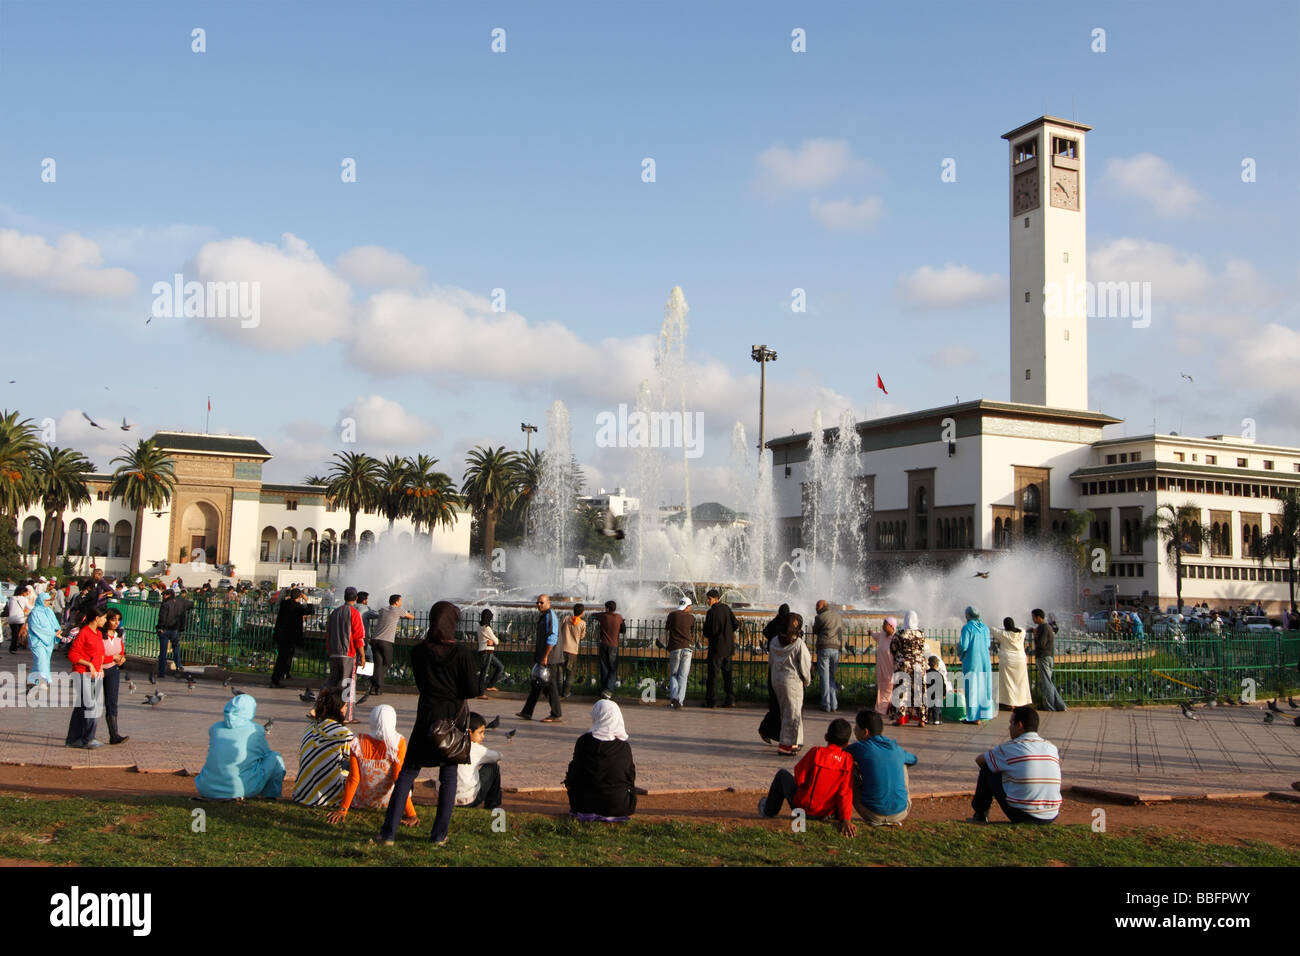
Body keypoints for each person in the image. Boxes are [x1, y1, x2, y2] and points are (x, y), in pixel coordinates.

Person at [377, 601, 479, 846]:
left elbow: (422, 685)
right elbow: (472, 690)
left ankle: (388, 833)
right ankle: (439, 835)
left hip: (426, 716)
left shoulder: (418, 651)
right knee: (449, 773)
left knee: (408, 773)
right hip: (452, 718)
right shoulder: (463, 654)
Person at [758, 717, 856, 837]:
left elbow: (800, 779)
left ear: (826, 737)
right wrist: (846, 819)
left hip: (803, 809)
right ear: (847, 744)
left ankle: (768, 810)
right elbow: (845, 793)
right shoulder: (847, 760)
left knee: (782, 774)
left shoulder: (816, 752)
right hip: (827, 813)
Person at [969, 704, 1061, 825]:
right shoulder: (1051, 747)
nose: (1009, 727)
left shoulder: (1010, 747)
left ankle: (980, 815)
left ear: (1020, 725)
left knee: (988, 767)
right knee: (1001, 765)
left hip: (1023, 814)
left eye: (1011, 723)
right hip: (1051, 814)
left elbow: (980, 760)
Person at [327, 704, 418, 825]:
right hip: (388, 801)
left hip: (361, 800)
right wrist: (411, 814)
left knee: (344, 766)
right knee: (408, 779)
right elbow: (398, 779)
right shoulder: (398, 743)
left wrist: (343, 809)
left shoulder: (357, 741)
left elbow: (353, 779)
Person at [195, 694, 286, 800]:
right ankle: (271, 795)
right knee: (275, 757)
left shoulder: (215, 728)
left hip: (205, 788)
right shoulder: (255, 730)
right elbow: (265, 754)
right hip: (240, 789)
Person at [564, 700, 637, 819]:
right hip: (619, 806)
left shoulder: (583, 742)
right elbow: (630, 775)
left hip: (583, 804)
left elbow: (575, 771)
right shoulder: (624, 747)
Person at [846, 710, 917, 827]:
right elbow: (913, 759)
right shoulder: (895, 747)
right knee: (902, 763)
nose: (854, 730)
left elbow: (840, 753)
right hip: (901, 813)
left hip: (871, 814)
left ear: (865, 732)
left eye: (856, 727)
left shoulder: (860, 747)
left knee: (849, 768)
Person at [292, 687, 355, 807]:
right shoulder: (344, 734)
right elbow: (353, 764)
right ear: (339, 709)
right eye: (345, 706)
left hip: (302, 793)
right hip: (329, 797)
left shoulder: (310, 728)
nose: (346, 710)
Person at [768, 612, 812, 756]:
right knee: (792, 713)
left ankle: (796, 741)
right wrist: (806, 680)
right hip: (792, 681)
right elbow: (805, 665)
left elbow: (771, 662)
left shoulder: (774, 641)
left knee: (786, 711)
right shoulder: (798, 644)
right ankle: (786, 744)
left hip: (777, 679)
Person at [65, 609, 106, 749]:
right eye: (104, 618)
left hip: (94, 675)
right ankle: (88, 738)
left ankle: (73, 739)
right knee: (91, 706)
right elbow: (72, 654)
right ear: (96, 618)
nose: (105, 621)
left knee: (81, 707)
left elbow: (100, 653)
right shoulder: (84, 633)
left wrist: (99, 667)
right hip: (81, 673)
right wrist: (89, 664)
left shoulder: (99, 633)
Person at [518, 594, 562, 722]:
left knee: (550, 685)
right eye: (537, 602)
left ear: (548, 603)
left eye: (541, 602)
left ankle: (556, 714)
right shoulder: (545, 616)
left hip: (550, 657)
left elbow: (552, 638)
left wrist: (545, 656)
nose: (539, 605)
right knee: (537, 684)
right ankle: (527, 712)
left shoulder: (550, 616)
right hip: (543, 656)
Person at [325, 586, 366, 723]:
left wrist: (329, 650)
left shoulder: (334, 613)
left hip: (334, 652)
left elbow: (328, 633)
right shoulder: (354, 613)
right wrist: (362, 655)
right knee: (348, 684)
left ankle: (324, 710)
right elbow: (358, 637)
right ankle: (346, 715)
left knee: (333, 683)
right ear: (355, 598)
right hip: (348, 654)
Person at [365, 593, 413, 696]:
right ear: (396, 602)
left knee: (378, 664)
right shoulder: (398, 610)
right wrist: (403, 616)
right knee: (387, 663)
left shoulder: (383, 609)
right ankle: (374, 681)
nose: (401, 602)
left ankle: (377, 688)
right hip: (386, 641)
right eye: (400, 600)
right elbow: (411, 617)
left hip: (375, 640)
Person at [454, 712, 503, 809]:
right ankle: (493, 806)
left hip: (444, 798)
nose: (483, 736)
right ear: (469, 732)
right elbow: (498, 756)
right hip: (467, 800)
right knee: (493, 767)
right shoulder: (475, 748)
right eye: (480, 732)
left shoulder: (450, 744)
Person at [269, 587, 313, 687]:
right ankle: (275, 680)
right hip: (290, 636)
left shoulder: (284, 604)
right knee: (283, 658)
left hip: (281, 635)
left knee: (285, 656)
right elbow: (310, 610)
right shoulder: (298, 607)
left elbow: (284, 601)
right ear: (299, 597)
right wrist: (307, 600)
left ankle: (284, 673)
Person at [702, 588, 738, 708]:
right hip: (728, 647)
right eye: (707, 599)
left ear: (716, 599)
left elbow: (707, 631)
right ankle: (730, 699)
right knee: (727, 674)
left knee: (713, 675)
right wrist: (727, 633)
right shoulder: (727, 609)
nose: (707, 601)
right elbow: (735, 624)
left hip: (716, 648)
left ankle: (711, 700)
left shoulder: (711, 613)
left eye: (709, 599)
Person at [959, 606, 995, 725]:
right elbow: (988, 644)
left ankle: (973, 717)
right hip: (985, 660)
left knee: (972, 687)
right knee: (983, 687)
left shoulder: (967, 628)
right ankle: (984, 714)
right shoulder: (985, 628)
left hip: (972, 660)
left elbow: (964, 645)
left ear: (968, 615)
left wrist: (959, 652)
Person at [891, 611, 928, 726]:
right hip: (919, 664)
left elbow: (893, 648)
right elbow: (922, 648)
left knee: (901, 690)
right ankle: (921, 719)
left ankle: (901, 718)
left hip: (904, 664)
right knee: (919, 691)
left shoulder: (900, 634)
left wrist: (899, 657)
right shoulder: (921, 634)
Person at [101, 609, 130, 745]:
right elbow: (97, 655)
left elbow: (121, 651)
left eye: (118, 620)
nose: (116, 623)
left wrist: (122, 658)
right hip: (98, 670)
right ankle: (85, 733)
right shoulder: (100, 635)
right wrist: (111, 657)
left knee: (112, 702)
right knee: (91, 703)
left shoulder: (119, 634)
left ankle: (114, 734)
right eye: (113, 620)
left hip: (113, 670)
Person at [1031, 608, 1067, 712]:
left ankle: (1050, 706)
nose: (1032, 619)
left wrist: (1035, 635)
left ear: (1038, 617)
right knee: (1048, 682)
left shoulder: (1043, 627)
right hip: (1047, 656)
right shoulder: (1046, 627)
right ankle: (1060, 705)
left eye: (1033, 617)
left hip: (1043, 657)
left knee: (1047, 683)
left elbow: (1041, 644)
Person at [992, 618, 1033, 709]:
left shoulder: (1003, 634)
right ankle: (1022, 702)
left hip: (1008, 661)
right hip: (1021, 660)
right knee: (1021, 683)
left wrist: (1002, 629)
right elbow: (1021, 628)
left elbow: (992, 629)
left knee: (1008, 683)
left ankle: (1011, 704)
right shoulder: (1021, 633)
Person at [813, 599, 844, 712]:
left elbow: (815, 630)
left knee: (824, 677)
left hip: (824, 648)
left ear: (823, 606)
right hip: (836, 649)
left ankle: (826, 704)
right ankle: (834, 704)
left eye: (818, 605)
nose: (816, 608)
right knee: (831, 677)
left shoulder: (820, 617)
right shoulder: (838, 616)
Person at [26, 590, 60, 689]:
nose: (47, 602)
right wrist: (51, 633)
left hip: (48, 641)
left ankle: (32, 679)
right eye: (46, 600)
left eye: (49, 600)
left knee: (44, 661)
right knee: (41, 660)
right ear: (40, 600)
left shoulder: (49, 611)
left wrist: (57, 631)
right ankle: (42, 681)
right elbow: (35, 627)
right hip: (37, 640)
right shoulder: (35, 612)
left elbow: (55, 624)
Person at [590, 600, 625, 699]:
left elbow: (594, 614)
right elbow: (623, 630)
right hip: (614, 645)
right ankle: (608, 690)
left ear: (607, 608)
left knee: (604, 668)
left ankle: (605, 689)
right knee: (613, 669)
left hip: (603, 645)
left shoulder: (603, 616)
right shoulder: (619, 617)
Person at [665, 597, 695, 709]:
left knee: (673, 674)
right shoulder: (691, 617)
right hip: (687, 648)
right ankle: (680, 701)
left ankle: (674, 698)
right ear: (687, 606)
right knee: (683, 676)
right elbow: (692, 630)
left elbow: (667, 628)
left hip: (675, 647)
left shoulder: (672, 615)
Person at [154, 587, 186, 678]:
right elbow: (182, 617)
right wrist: (181, 628)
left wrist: (160, 627)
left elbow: (162, 617)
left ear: (168, 595)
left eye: (164, 595)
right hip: (174, 629)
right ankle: (179, 665)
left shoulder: (165, 604)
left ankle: (161, 672)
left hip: (165, 630)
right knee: (176, 647)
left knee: (163, 652)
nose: (163, 596)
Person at [476, 607, 505, 697]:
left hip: (485, 651)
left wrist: (490, 641)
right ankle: (480, 693)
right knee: (484, 672)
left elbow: (484, 639)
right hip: (487, 652)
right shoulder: (487, 628)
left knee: (500, 667)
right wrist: (492, 641)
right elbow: (496, 641)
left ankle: (490, 685)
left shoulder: (479, 626)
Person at [559, 603, 585, 698]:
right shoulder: (582, 623)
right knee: (570, 673)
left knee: (560, 672)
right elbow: (582, 636)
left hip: (562, 650)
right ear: (582, 613)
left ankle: (558, 691)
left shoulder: (566, 619)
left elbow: (559, 629)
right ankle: (566, 692)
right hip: (573, 652)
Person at [874, 616, 897, 717]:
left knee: (888, 688)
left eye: (885, 624)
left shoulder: (895, 638)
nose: (883, 626)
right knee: (881, 688)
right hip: (881, 667)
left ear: (891, 626)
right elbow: (876, 636)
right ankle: (881, 708)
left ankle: (882, 709)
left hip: (890, 668)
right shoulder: (882, 635)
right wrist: (870, 633)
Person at [6, 583, 31, 654]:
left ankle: (13, 647)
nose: (26, 593)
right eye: (26, 592)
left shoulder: (10, 598)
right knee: (16, 633)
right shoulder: (24, 599)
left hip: (11, 618)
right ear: (22, 592)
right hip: (19, 618)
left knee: (14, 633)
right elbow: (29, 607)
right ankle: (13, 648)